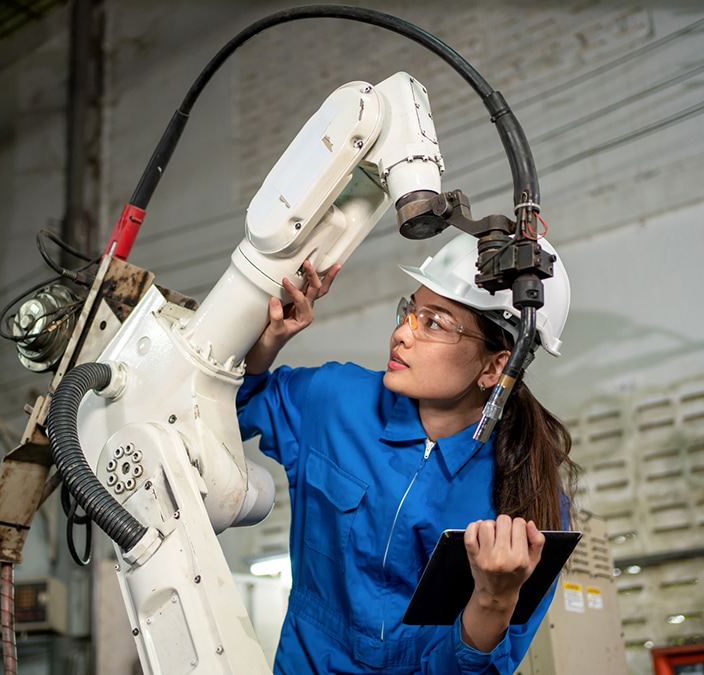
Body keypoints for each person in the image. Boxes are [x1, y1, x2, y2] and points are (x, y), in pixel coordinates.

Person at [236, 232, 579, 674]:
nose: (401, 334)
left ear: (496, 366)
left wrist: (494, 600)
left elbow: (485, 668)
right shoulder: (334, 400)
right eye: (410, 312)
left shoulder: (523, 503)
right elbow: (231, 405)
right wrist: (267, 341)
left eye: (434, 324)